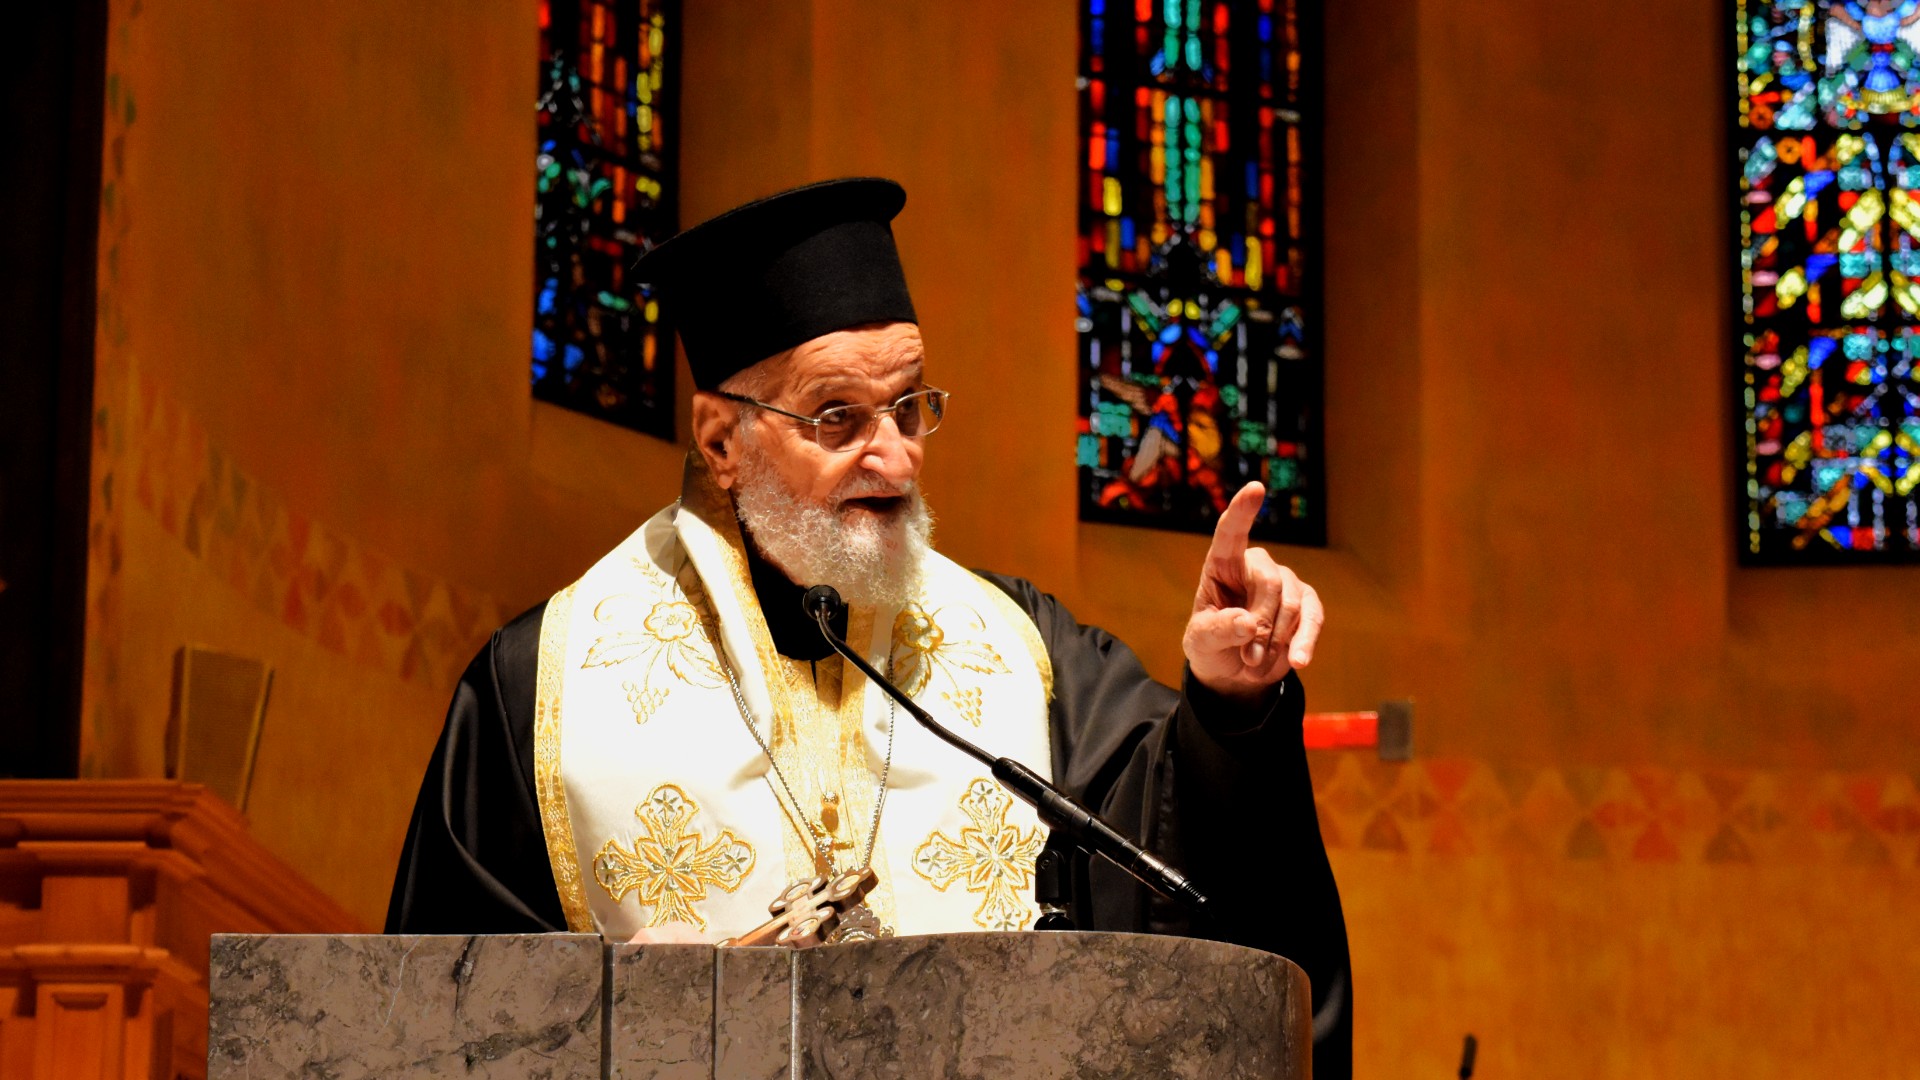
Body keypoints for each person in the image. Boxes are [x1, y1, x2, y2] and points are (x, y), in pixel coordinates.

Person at [386, 178, 1351, 1076]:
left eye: (909, 407)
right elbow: (431, 1025)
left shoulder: (1025, 651)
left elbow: (1179, 878)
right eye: (837, 417)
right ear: (722, 440)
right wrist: (606, 1012)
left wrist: (1230, 703)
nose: (892, 458)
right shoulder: (539, 688)